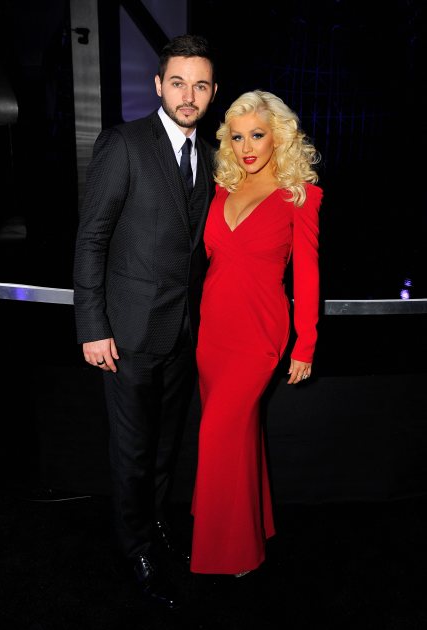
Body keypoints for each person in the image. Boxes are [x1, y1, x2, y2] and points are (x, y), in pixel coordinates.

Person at [72, 34, 218, 609]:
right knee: (132, 451)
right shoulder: (124, 144)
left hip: (182, 332)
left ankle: (155, 530)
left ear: (211, 93)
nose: (188, 94)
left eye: (200, 84)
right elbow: (92, 241)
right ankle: (134, 548)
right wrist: (91, 326)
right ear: (158, 85)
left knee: (163, 448)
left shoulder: (210, 156)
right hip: (127, 334)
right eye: (177, 82)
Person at [190, 90, 323, 577]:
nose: (247, 146)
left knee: (220, 432)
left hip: (258, 335)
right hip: (212, 334)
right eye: (238, 136)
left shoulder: (299, 196)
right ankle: (256, 520)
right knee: (237, 437)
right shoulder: (221, 188)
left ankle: (233, 552)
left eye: (258, 135)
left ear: (279, 136)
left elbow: (307, 276)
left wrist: (304, 344)